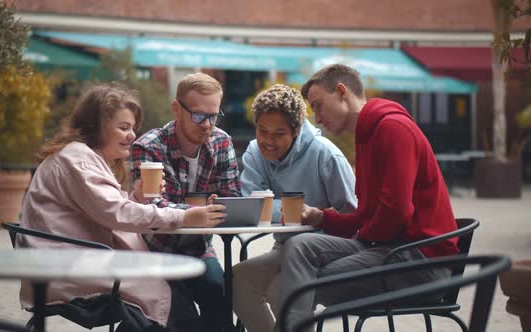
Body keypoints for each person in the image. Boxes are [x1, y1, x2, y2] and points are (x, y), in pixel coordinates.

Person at [18, 82, 226, 332]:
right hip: (69, 267)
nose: (132, 136)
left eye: (133, 128)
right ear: (97, 126)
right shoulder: (77, 160)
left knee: (176, 295)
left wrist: (136, 198)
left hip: (76, 260)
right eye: (123, 128)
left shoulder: (84, 158)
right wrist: (184, 217)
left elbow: (105, 208)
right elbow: (116, 214)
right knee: (169, 298)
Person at [277, 64, 459, 331]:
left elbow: (397, 211)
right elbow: (367, 214)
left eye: (317, 105)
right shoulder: (366, 137)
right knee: (299, 246)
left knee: (312, 282)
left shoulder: (393, 128)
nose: (316, 118)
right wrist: (322, 217)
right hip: (391, 249)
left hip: (420, 261)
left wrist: (363, 237)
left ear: (341, 92)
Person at [231, 84, 357, 332]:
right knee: (237, 279)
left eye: (278, 134)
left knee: (281, 291)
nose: (268, 141)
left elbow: (352, 216)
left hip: (325, 252)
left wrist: (278, 208)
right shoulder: (255, 152)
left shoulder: (327, 156)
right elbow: (252, 203)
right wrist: (291, 210)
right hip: (283, 248)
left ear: (296, 130)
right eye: (262, 130)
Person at [130, 73, 241, 332]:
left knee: (220, 295)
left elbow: (232, 196)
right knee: (173, 317)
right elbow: (152, 208)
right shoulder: (147, 147)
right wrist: (197, 212)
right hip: (153, 251)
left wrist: (222, 204)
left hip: (197, 248)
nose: (207, 125)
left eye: (213, 116)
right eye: (199, 115)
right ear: (177, 110)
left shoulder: (221, 142)